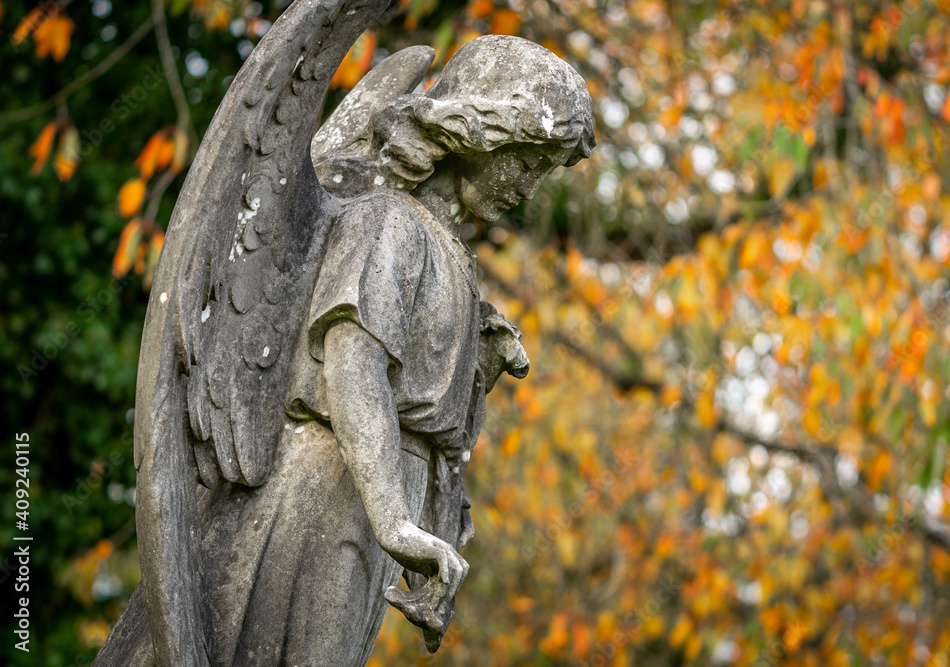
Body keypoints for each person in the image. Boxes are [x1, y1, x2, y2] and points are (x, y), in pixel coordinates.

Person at [98, 34, 594, 666]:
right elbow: (353, 365)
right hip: (329, 488)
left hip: (372, 502)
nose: (529, 188)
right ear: (480, 132)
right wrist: (393, 520)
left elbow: (421, 407)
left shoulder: (444, 249)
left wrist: (476, 361)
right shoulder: (388, 222)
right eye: (526, 162)